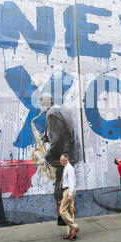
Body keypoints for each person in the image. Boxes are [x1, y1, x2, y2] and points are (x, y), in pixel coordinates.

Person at [37, 93, 81, 226]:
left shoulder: (51, 114)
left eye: (41, 106)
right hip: (72, 154)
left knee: (59, 189)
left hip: (63, 156)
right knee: (67, 185)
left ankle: (63, 217)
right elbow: (65, 132)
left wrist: (46, 156)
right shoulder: (63, 109)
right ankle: (67, 214)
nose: (41, 109)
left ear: (44, 104)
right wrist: (46, 137)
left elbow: (56, 142)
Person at [59, 153, 79, 240]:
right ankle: (70, 233)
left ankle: (74, 227)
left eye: (61, 160)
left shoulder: (69, 168)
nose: (60, 162)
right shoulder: (66, 167)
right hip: (67, 190)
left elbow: (71, 181)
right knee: (70, 211)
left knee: (62, 210)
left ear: (65, 160)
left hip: (69, 190)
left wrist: (70, 194)